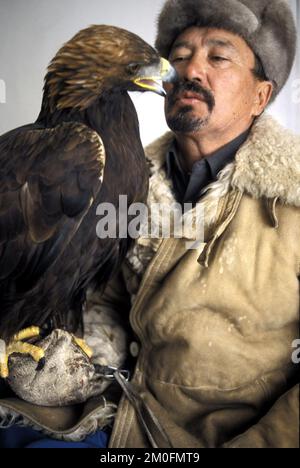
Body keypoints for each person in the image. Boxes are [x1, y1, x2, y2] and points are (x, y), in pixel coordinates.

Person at [0, 0, 299, 448]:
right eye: (179, 56)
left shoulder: (292, 204)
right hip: (114, 421)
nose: (188, 71)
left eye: (217, 56)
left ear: (261, 94)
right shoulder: (131, 174)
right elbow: (102, 299)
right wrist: (74, 360)